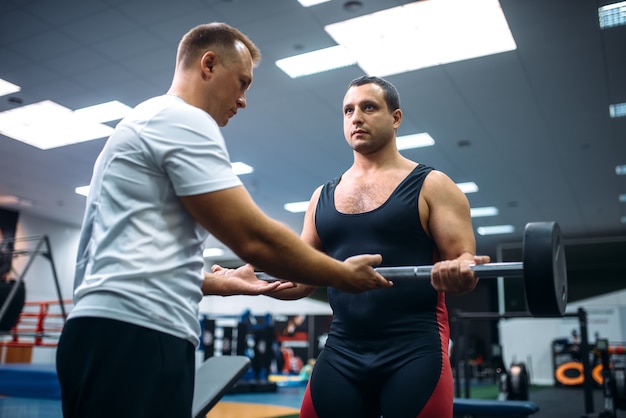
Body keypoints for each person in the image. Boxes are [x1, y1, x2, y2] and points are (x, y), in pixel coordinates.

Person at [55, 24, 391, 418]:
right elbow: (253, 238)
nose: (244, 99)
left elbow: (134, 261)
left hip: (107, 333)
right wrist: (341, 275)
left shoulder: (146, 118)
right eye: (242, 82)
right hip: (136, 335)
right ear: (209, 64)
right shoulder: (182, 120)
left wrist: (222, 283)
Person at [215, 75, 491, 417]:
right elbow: (302, 279)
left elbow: (465, 267)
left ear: (396, 118)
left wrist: (460, 271)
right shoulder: (322, 197)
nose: (355, 117)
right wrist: (257, 285)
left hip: (415, 349)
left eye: (368, 107)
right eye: (348, 110)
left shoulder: (434, 186)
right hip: (343, 350)